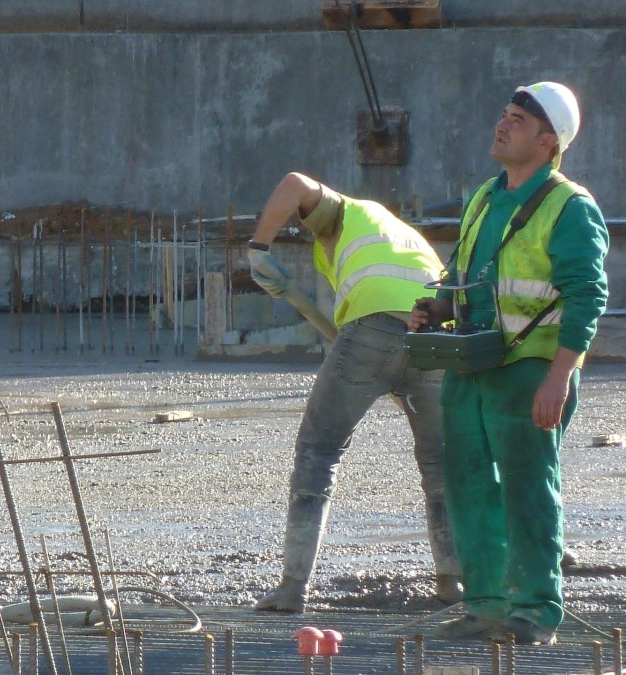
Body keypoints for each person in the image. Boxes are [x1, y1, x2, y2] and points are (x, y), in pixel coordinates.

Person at [411, 81, 608, 645]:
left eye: (517, 120)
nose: (502, 125)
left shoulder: (570, 206)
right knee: (468, 485)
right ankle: (486, 604)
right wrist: (438, 305)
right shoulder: (484, 197)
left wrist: (559, 376)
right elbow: (464, 276)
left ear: (550, 141)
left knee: (526, 486)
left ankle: (536, 610)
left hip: (530, 369)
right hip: (472, 364)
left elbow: (586, 296)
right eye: (504, 114)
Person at [248, 172, 462, 613]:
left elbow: (292, 183)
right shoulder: (401, 239)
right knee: (442, 466)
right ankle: (452, 582)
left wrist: (258, 249)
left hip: (374, 332)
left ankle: (292, 589)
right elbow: (353, 335)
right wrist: (293, 292)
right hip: (435, 335)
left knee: (317, 452)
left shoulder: (347, 213)